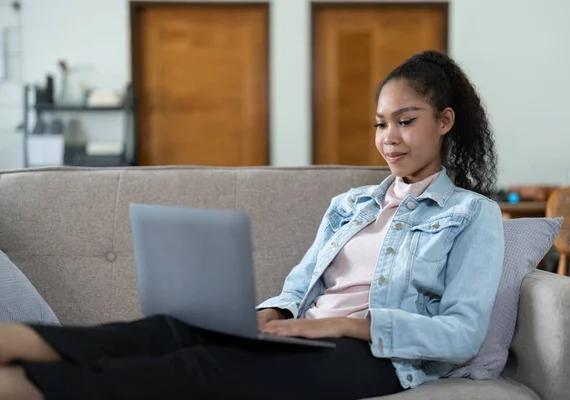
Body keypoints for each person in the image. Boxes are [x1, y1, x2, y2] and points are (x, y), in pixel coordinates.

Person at [0, 50, 504, 400]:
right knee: (173, 330)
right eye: (380, 123)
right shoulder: (350, 204)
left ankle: (25, 389)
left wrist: (344, 325)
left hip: (375, 357)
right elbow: (299, 284)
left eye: (406, 120)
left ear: (444, 121)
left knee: (202, 370)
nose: (389, 138)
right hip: (309, 333)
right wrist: (274, 313)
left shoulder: (472, 214)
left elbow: (460, 335)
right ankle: (15, 345)